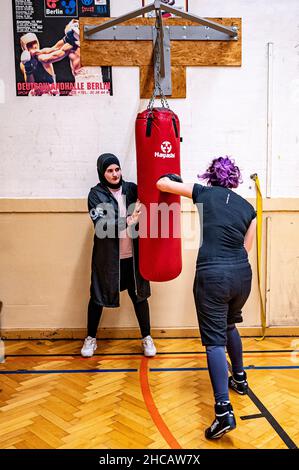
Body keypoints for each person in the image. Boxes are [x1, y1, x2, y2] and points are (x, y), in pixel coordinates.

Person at [156, 156, 256, 439]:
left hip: (213, 275)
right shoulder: (248, 208)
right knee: (229, 325)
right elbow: (246, 248)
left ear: (211, 176)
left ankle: (223, 412)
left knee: (214, 343)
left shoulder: (204, 192)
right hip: (241, 276)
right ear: (234, 179)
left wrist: (170, 176)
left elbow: (161, 183)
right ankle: (239, 378)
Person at [81, 153, 156, 358]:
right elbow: (101, 225)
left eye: (117, 169)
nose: (114, 174)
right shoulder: (96, 195)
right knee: (97, 298)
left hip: (133, 258)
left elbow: (154, 191)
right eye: (109, 171)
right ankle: (91, 339)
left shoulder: (132, 189)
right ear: (102, 173)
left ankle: (147, 337)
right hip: (108, 260)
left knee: (140, 297)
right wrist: (129, 221)